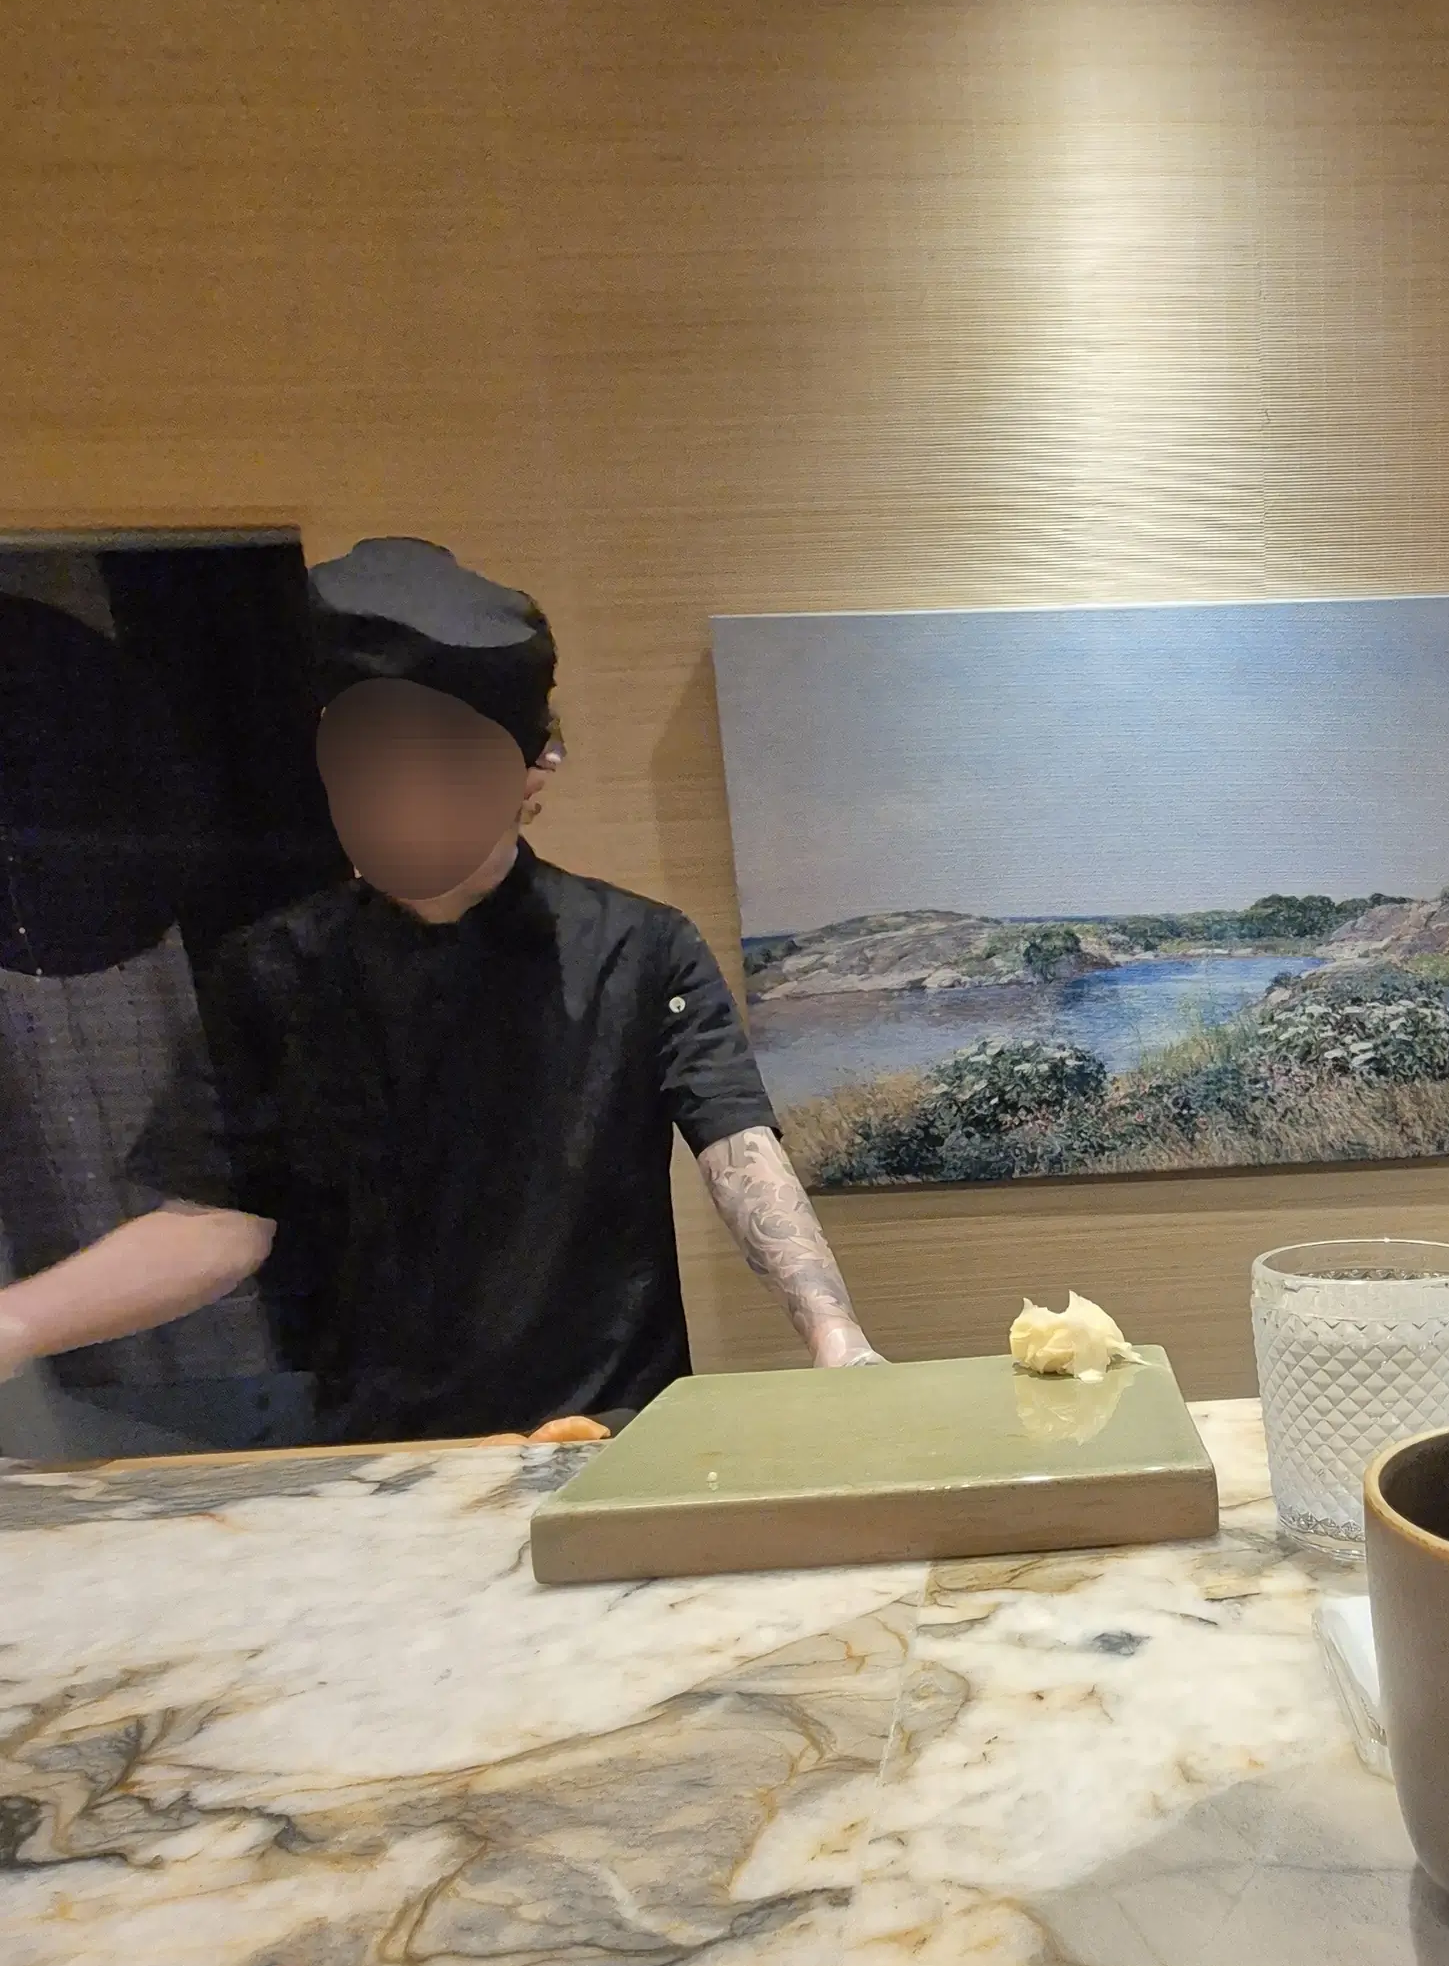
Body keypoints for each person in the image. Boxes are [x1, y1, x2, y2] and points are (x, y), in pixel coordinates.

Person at [0, 537, 880, 1440]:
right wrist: (19, 1321)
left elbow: (738, 1150)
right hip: (380, 1457)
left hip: (613, 1433)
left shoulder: (641, 947)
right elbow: (220, 1221)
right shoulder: (272, 971)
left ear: (534, 771)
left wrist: (833, 1332)